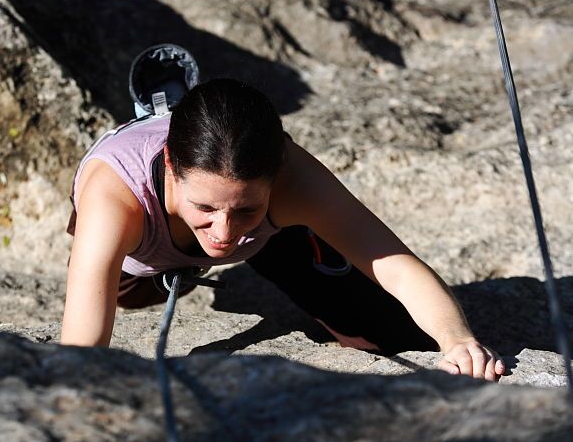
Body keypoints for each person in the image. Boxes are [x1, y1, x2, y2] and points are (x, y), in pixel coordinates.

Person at [61, 77, 507, 381]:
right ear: (174, 168)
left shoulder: (294, 178)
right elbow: (81, 354)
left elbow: (395, 266)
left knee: (387, 335)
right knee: (138, 295)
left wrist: (457, 339)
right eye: (205, 207)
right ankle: (160, 109)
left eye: (244, 208)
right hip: (143, 253)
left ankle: (242, 208)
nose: (222, 232)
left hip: (268, 238)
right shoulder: (114, 198)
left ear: (276, 177)